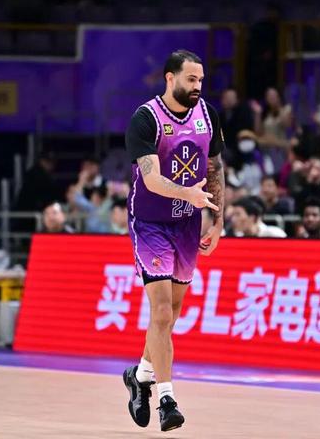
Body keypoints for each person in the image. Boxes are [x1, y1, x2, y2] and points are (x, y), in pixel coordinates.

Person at [122, 50, 225, 432]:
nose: (197, 86)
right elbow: (151, 179)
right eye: (191, 79)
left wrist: (218, 219)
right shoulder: (146, 118)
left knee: (172, 312)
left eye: (201, 80)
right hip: (150, 224)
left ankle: (140, 376)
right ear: (170, 78)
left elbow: (214, 167)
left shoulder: (208, 115)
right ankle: (166, 399)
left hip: (187, 224)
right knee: (162, 312)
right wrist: (189, 194)